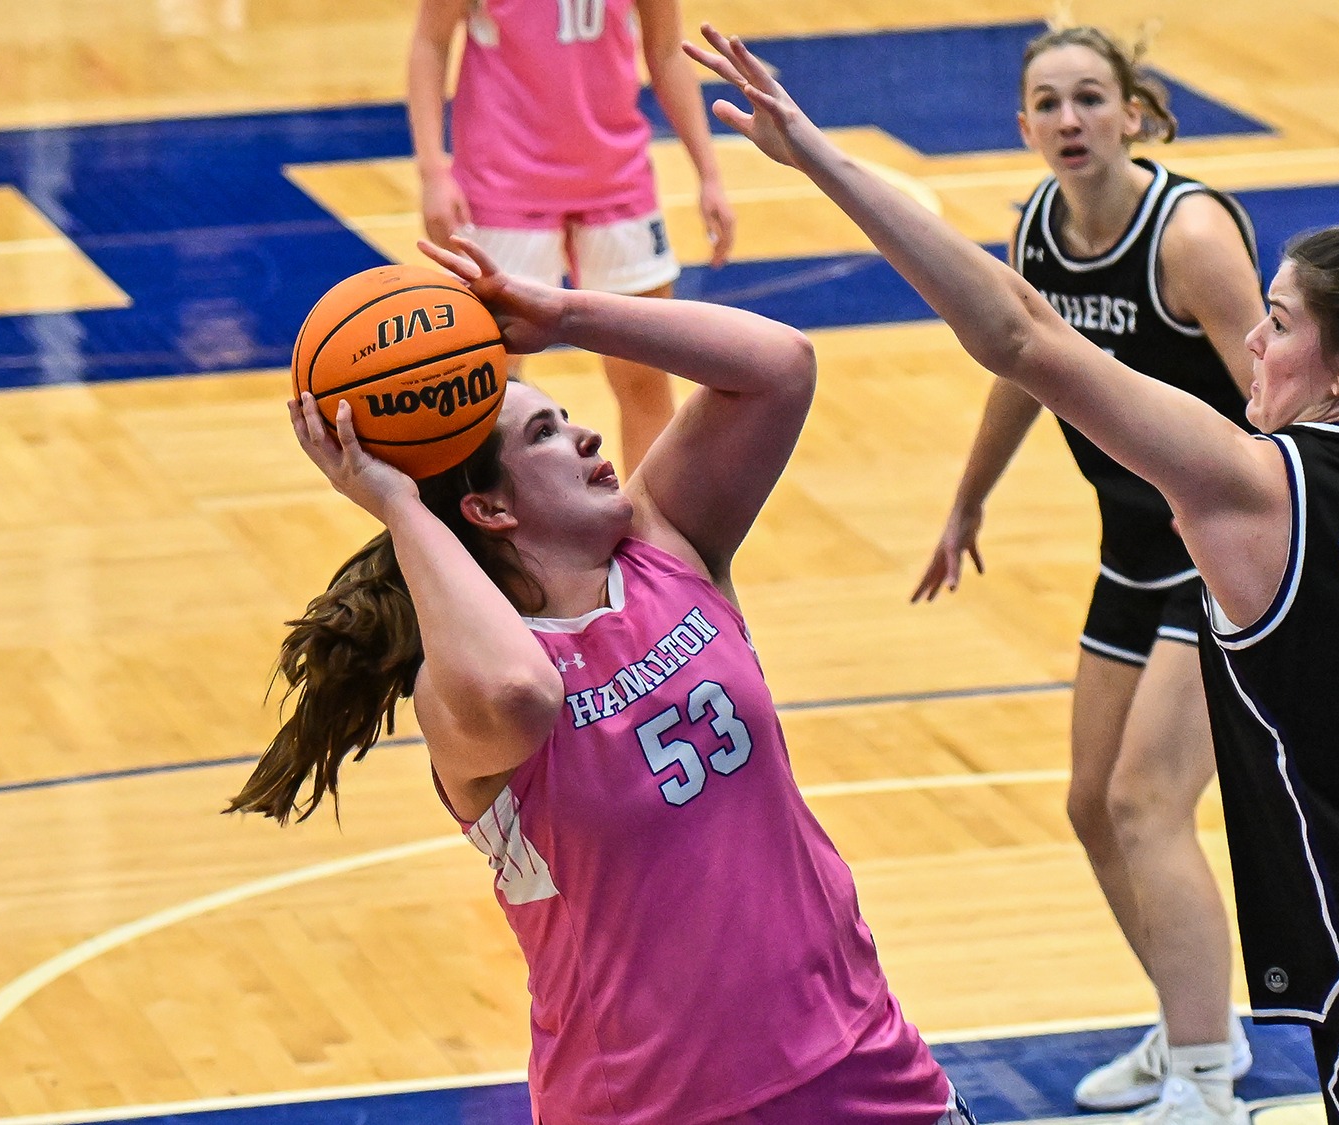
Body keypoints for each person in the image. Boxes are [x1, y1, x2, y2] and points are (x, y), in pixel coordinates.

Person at [688, 27, 1339, 1125]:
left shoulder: (1253, 489)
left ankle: (1199, 1078)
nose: (1250, 344)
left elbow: (1018, 335)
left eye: (1278, 327)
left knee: (1138, 799)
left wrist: (818, 157)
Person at [228, 235, 974, 1125]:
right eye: (544, 434)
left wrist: (566, 315)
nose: (586, 434)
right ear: (489, 508)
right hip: (652, 1110)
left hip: (863, 1067)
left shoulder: (667, 546)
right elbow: (522, 696)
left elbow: (780, 366)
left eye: (567, 415)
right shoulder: (465, 686)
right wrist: (396, 501)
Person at [909, 25, 1261, 1115]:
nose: (1071, 119)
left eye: (1090, 98)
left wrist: (1298, 545)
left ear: (1133, 114)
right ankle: (1193, 1022)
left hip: (1218, 549)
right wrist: (969, 496)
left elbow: (1275, 397)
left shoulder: (1188, 237)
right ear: (1024, 126)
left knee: (1147, 800)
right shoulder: (1037, 230)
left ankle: (1206, 1081)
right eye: (1050, 104)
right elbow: (1023, 365)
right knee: (1090, 806)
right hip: (1132, 548)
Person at [408, 0, 737, 470]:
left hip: (617, 180)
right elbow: (431, 42)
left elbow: (666, 52)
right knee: (489, 385)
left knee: (644, 377)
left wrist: (710, 174)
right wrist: (432, 173)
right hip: (502, 182)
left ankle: (651, 518)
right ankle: (489, 517)